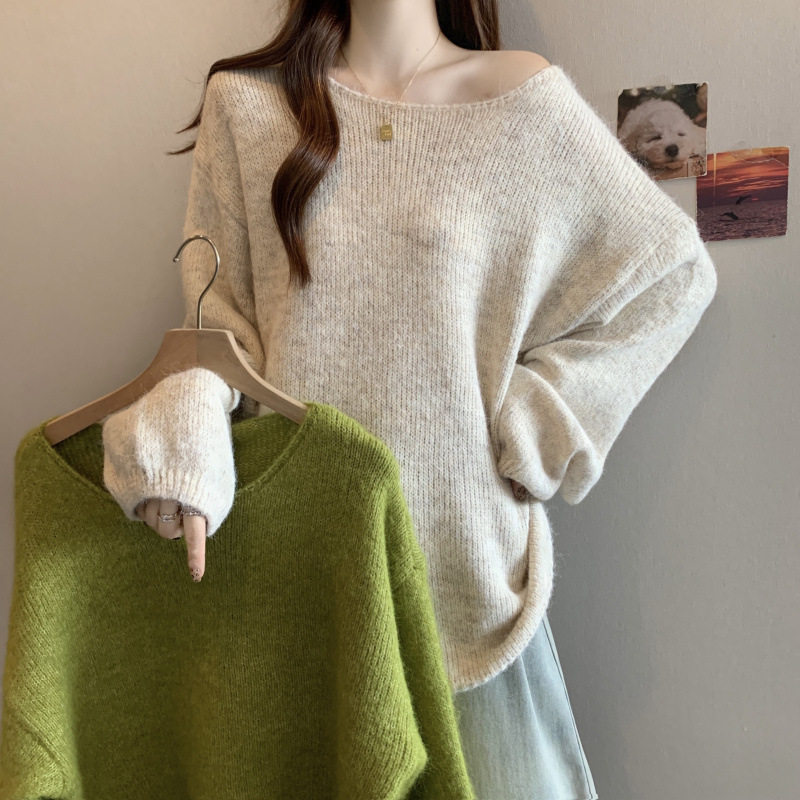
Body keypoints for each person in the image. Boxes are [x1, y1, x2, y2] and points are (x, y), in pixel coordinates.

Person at [101, 1, 717, 797]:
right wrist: (183, 437)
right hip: (299, 580)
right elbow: (215, 332)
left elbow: (670, 277)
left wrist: (540, 423)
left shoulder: (521, 101)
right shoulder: (247, 106)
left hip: (469, 583)